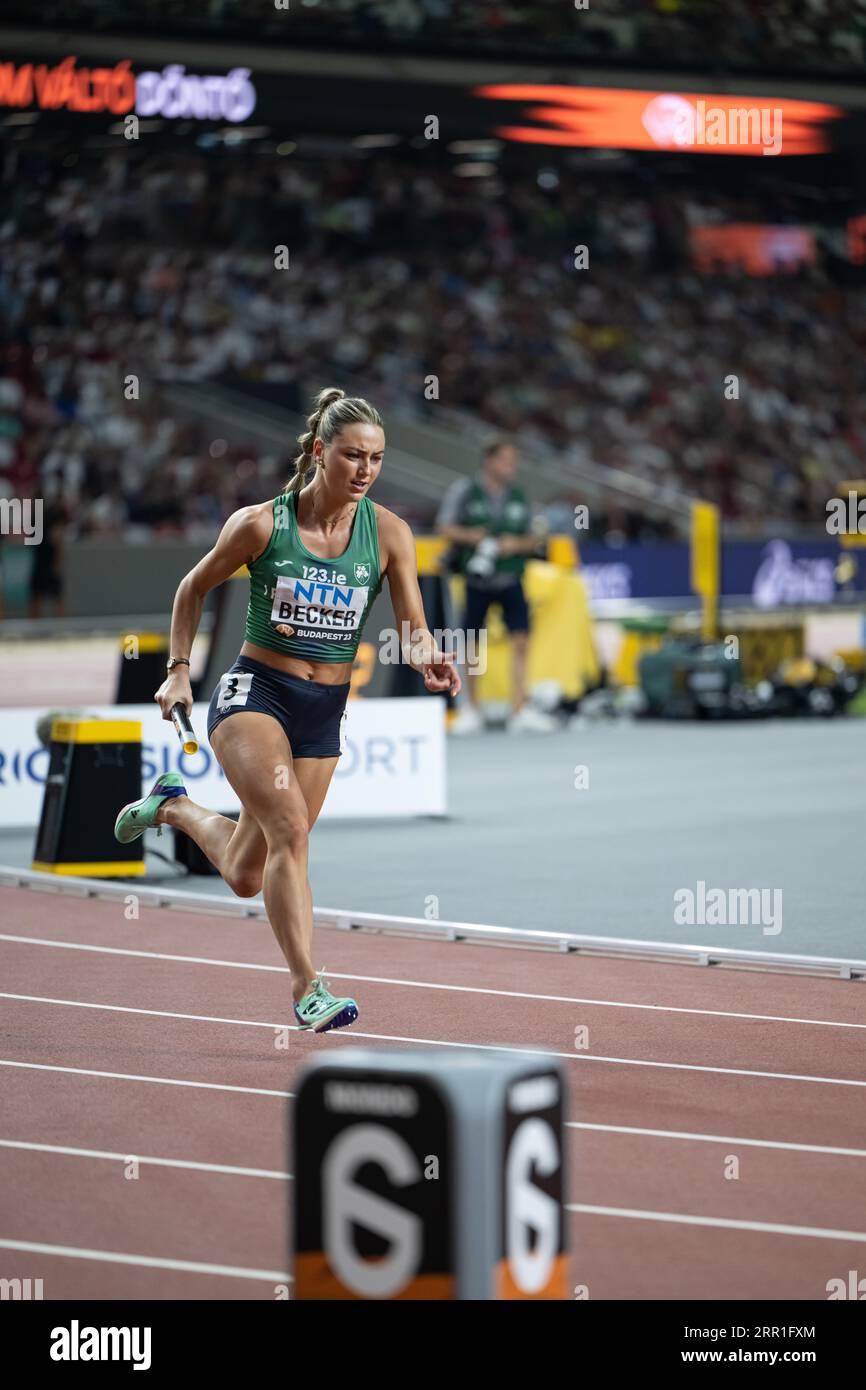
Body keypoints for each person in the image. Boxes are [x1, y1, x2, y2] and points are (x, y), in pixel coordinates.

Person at [114, 387, 460, 1033]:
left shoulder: (388, 533)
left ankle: (173, 806)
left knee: (248, 872)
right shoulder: (261, 524)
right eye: (353, 455)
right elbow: (193, 588)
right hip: (256, 695)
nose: (364, 471)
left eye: (377, 459)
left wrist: (427, 655)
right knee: (292, 833)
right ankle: (309, 987)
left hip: (323, 707)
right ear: (321, 451)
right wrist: (179, 672)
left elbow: (413, 625)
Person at [436, 437, 554, 733]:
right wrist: (472, 536)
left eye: (514, 461)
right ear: (489, 460)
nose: (511, 467)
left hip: (511, 576)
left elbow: (536, 538)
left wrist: (516, 543)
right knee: (472, 643)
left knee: (521, 640)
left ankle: (519, 709)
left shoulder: (519, 496)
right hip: (477, 579)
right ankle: (470, 708)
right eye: (506, 460)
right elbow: (445, 527)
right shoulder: (464, 491)